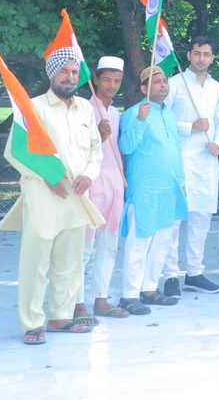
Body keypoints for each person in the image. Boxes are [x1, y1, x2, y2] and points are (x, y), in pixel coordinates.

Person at [0, 50, 104, 344]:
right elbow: (16, 152)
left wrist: (89, 174)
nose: (70, 77)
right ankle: (32, 324)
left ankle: (61, 317)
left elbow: (96, 150)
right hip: (43, 194)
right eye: (64, 72)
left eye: (74, 72)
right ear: (52, 74)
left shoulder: (85, 108)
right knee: (36, 264)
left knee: (70, 262)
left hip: (76, 195)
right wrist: (48, 176)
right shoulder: (33, 108)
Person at [118, 66, 188, 315]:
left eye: (164, 81)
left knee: (162, 242)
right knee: (139, 242)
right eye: (156, 82)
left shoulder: (170, 115)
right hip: (144, 188)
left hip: (169, 187)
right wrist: (140, 119)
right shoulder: (133, 113)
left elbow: (176, 151)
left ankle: (148, 289)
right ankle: (128, 295)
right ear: (144, 88)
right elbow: (126, 147)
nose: (162, 85)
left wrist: (181, 182)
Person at [163, 36, 219, 295]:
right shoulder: (174, 83)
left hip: (207, 161)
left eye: (206, 54)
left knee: (201, 220)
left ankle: (195, 273)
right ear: (189, 55)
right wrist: (190, 127)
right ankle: (170, 275)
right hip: (180, 161)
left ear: (212, 58)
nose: (201, 58)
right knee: (175, 220)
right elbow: (163, 119)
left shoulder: (216, 87)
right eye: (197, 53)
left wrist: (218, 144)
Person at [77, 56, 125, 321]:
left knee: (109, 245)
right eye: (106, 79)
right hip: (90, 183)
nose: (111, 85)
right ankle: (77, 303)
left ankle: (101, 300)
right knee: (84, 247)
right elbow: (76, 147)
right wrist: (98, 134)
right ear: (95, 79)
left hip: (114, 183)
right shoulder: (83, 108)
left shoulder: (116, 113)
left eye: (117, 81)